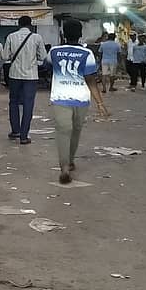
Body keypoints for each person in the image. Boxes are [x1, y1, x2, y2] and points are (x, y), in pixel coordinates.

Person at [48, 19, 109, 184]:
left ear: (63, 34)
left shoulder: (54, 51)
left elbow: (49, 66)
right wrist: (100, 103)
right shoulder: (87, 54)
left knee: (63, 131)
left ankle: (64, 167)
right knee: (75, 131)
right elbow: (91, 81)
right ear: (80, 34)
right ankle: (70, 160)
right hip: (81, 99)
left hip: (60, 98)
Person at [3, 15, 47, 145]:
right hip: (31, 76)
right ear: (30, 25)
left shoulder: (11, 36)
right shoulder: (37, 38)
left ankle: (15, 130)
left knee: (13, 102)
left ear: (19, 24)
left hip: (14, 75)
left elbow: (5, 56)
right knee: (28, 104)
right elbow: (43, 56)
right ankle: (24, 136)